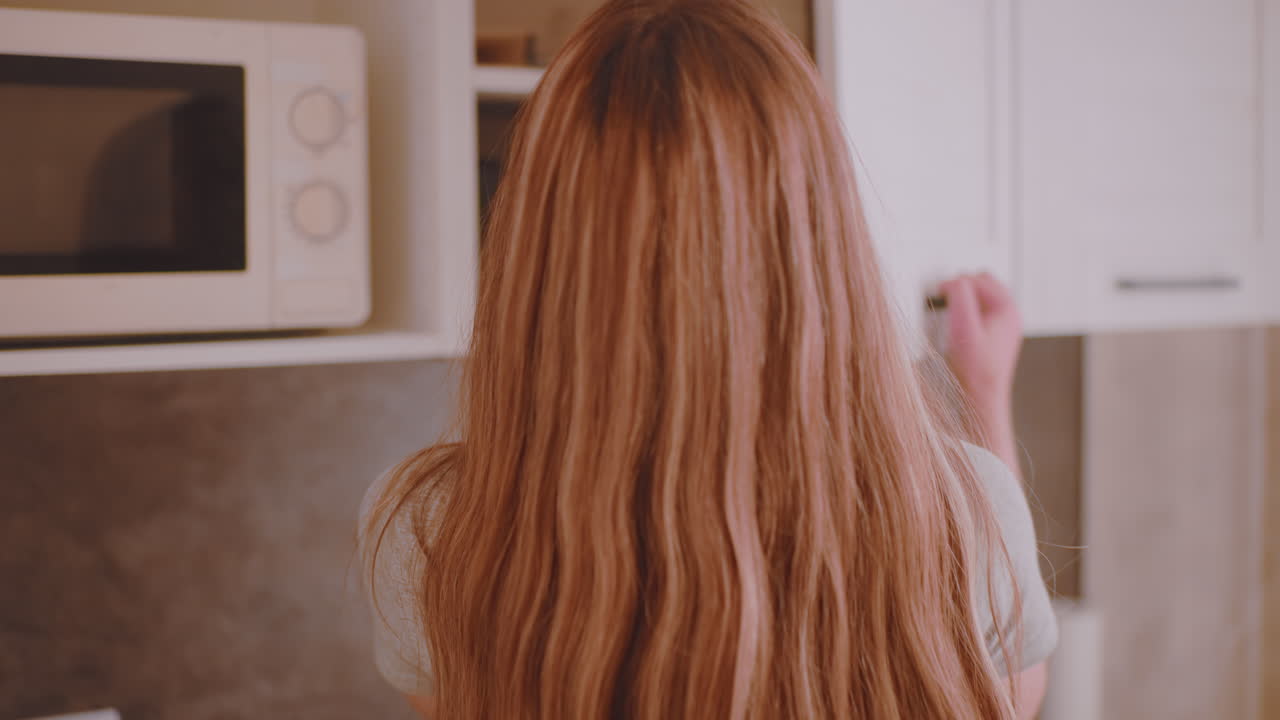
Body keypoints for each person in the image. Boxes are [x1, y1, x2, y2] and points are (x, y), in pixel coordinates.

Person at [360, 1, 1057, 717]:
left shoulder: (430, 529)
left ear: (538, 241)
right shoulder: (963, 510)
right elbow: (1006, 697)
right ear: (820, 232)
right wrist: (984, 395)